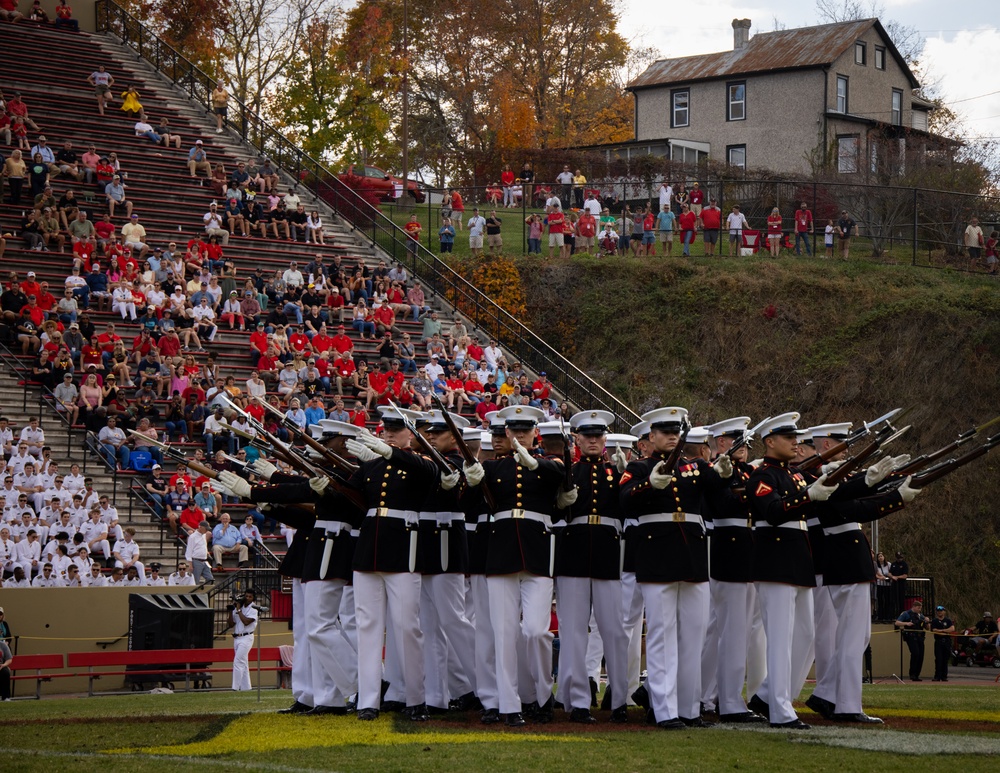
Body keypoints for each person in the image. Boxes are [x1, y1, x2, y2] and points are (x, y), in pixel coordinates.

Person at [463, 405, 563, 726]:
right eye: (514, 431)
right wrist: (473, 481)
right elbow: (467, 506)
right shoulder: (493, 467)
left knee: (535, 630)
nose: (519, 435)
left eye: (526, 430)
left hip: (537, 552)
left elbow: (561, 479)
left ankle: (543, 695)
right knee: (504, 634)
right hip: (502, 552)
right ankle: (510, 705)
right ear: (505, 433)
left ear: (536, 433)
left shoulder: (549, 464)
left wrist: (535, 463)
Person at [555, 410, 629, 723]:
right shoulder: (567, 471)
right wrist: (560, 499)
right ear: (577, 439)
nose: (594, 440)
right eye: (588, 436)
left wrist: (629, 476)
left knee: (614, 629)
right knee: (573, 631)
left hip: (607, 553)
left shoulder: (617, 472)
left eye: (599, 435)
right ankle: (578, 701)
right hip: (573, 551)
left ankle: (620, 698)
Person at [230, 589, 258, 690]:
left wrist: (238, 610)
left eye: (250, 597)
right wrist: (231, 610)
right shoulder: (239, 607)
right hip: (237, 637)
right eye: (246, 596)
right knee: (244, 664)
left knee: (238, 661)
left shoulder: (254, 608)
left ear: (253, 598)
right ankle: (247, 688)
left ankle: (235, 688)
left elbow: (246, 622)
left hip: (247, 637)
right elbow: (231, 623)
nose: (247, 598)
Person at [895, 600, 929, 681]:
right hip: (911, 637)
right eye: (918, 608)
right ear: (913, 607)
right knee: (915, 653)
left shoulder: (921, 616)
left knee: (921, 656)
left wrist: (927, 621)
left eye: (920, 608)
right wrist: (906, 623)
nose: (919, 610)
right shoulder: (906, 613)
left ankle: (917, 675)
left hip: (920, 637)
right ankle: (912, 674)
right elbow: (897, 623)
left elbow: (927, 628)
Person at [930, 605, 955, 682]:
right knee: (938, 659)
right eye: (938, 611)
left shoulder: (948, 620)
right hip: (938, 642)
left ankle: (944, 676)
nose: (939, 612)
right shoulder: (934, 621)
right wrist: (944, 631)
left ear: (944, 612)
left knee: (945, 659)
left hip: (947, 642)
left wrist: (941, 631)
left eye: (941, 611)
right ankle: (937, 676)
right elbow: (934, 630)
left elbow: (952, 629)